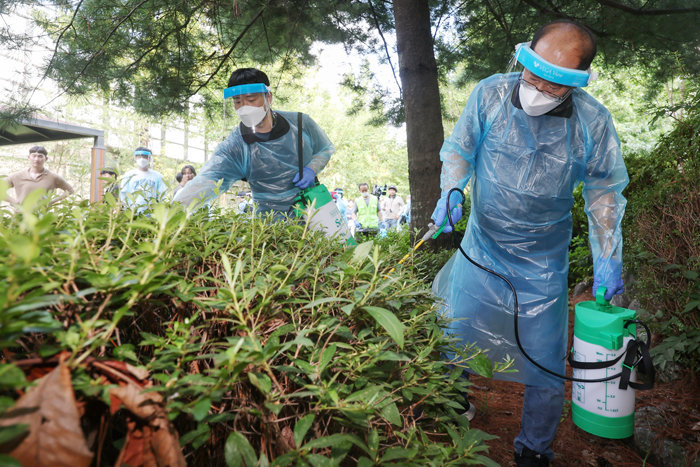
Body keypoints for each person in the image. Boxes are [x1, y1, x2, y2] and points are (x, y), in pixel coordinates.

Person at [431, 20, 627, 466]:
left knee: (544, 362)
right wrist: (451, 192)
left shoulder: (592, 121)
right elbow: (460, 149)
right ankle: (451, 406)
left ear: (577, 82)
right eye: (533, 73)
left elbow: (605, 194)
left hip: (543, 262)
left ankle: (535, 449)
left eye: (554, 83)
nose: (538, 87)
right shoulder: (491, 94)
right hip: (482, 248)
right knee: (453, 334)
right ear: (524, 58)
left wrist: (608, 257)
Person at [173, 68, 334, 217]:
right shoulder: (235, 147)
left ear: (268, 97)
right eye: (237, 101)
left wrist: (311, 169)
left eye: (251, 99)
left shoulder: (300, 123)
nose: (244, 107)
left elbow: (325, 149)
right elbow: (206, 181)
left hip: (312, 214)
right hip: (269, 224)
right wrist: (170, 212)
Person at [5, 145, 74, 207]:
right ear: (29, 157)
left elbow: (70, 190)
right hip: (20, 216)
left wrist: (52, 202)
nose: (36, 159)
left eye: (40, 156)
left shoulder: (53, 177)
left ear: (46, 159)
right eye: (34, 156)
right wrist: (13, 201)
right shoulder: (17, 176)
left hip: (42, 217)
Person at [119, 147, 167, 213]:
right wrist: (126, 209)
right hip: (132, 212)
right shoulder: (128, 175)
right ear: (135, 158)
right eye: (139, 156)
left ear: (149, 158)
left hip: (151, 212)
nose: (142, 159)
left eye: (145, 156)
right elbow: (123, 194)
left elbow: (162, 195)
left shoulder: (157, 176)